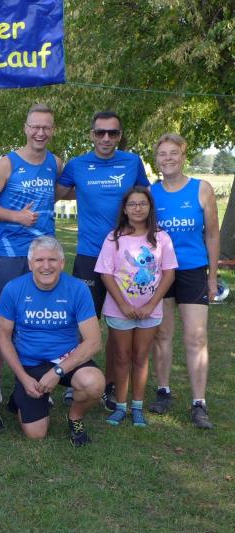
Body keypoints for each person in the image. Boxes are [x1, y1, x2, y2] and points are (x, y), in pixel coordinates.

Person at [56, 111, 150, 408]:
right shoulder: (77, 165)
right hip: (89, 254)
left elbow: (146, 199)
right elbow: (54, 193)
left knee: (118, 325)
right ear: (92, 134)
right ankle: (76, 377)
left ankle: (109, 384)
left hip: (127, 257)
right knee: (83, 321)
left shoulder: (132, 162)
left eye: (113, 133)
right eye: (100, 132)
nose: (106, 138)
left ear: (120, 135)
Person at [0, 237, 104, 447]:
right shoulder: (13, 289)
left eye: (52, 260)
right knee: (36, 434)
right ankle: (20, 395)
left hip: (66, 359)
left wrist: (57, 372)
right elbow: (3, 337)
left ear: (62, 263)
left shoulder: (78, 289)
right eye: (39, 260)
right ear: (30, 264)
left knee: (93, 383)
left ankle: (75, 418)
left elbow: (93, 342)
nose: (46, 266)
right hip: (30, 364)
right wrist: (23, 377)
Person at [149, 133, 220, 429]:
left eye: (173, 153)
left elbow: (212, 234)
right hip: (161, 272)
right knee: (162, 334)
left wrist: (212, 277)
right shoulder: (151, 193)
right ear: (156, 160)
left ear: (183, 156)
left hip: (193, 270)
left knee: (196, 337)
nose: (168, 158)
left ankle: (199, 402)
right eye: (162, 154)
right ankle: (163, 391)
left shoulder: (201, 189)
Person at [95, 187, 176, 427]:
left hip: (150, 311)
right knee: (121, 356)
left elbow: (168, 274)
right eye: (132, 204)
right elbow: (106, 274)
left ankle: (137, 407)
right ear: (124, 209)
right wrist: (123, 304)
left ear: (150, 207)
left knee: (141, 357)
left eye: (143, 203)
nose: (138, 208)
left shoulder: (161, 238)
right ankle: (120, 406)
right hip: (120, 310)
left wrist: (151, 304)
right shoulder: (114, 238)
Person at [0, 103, 63, 296]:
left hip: (45, 252)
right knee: (8, 308)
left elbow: (56, 194)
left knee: (42, 307)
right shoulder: (6, 164)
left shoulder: (56, 163)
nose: (40, 133)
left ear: (53, 130)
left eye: (46, 128)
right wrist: (17, 216)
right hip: (11, 251)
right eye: (35, 127)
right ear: (25, 128)